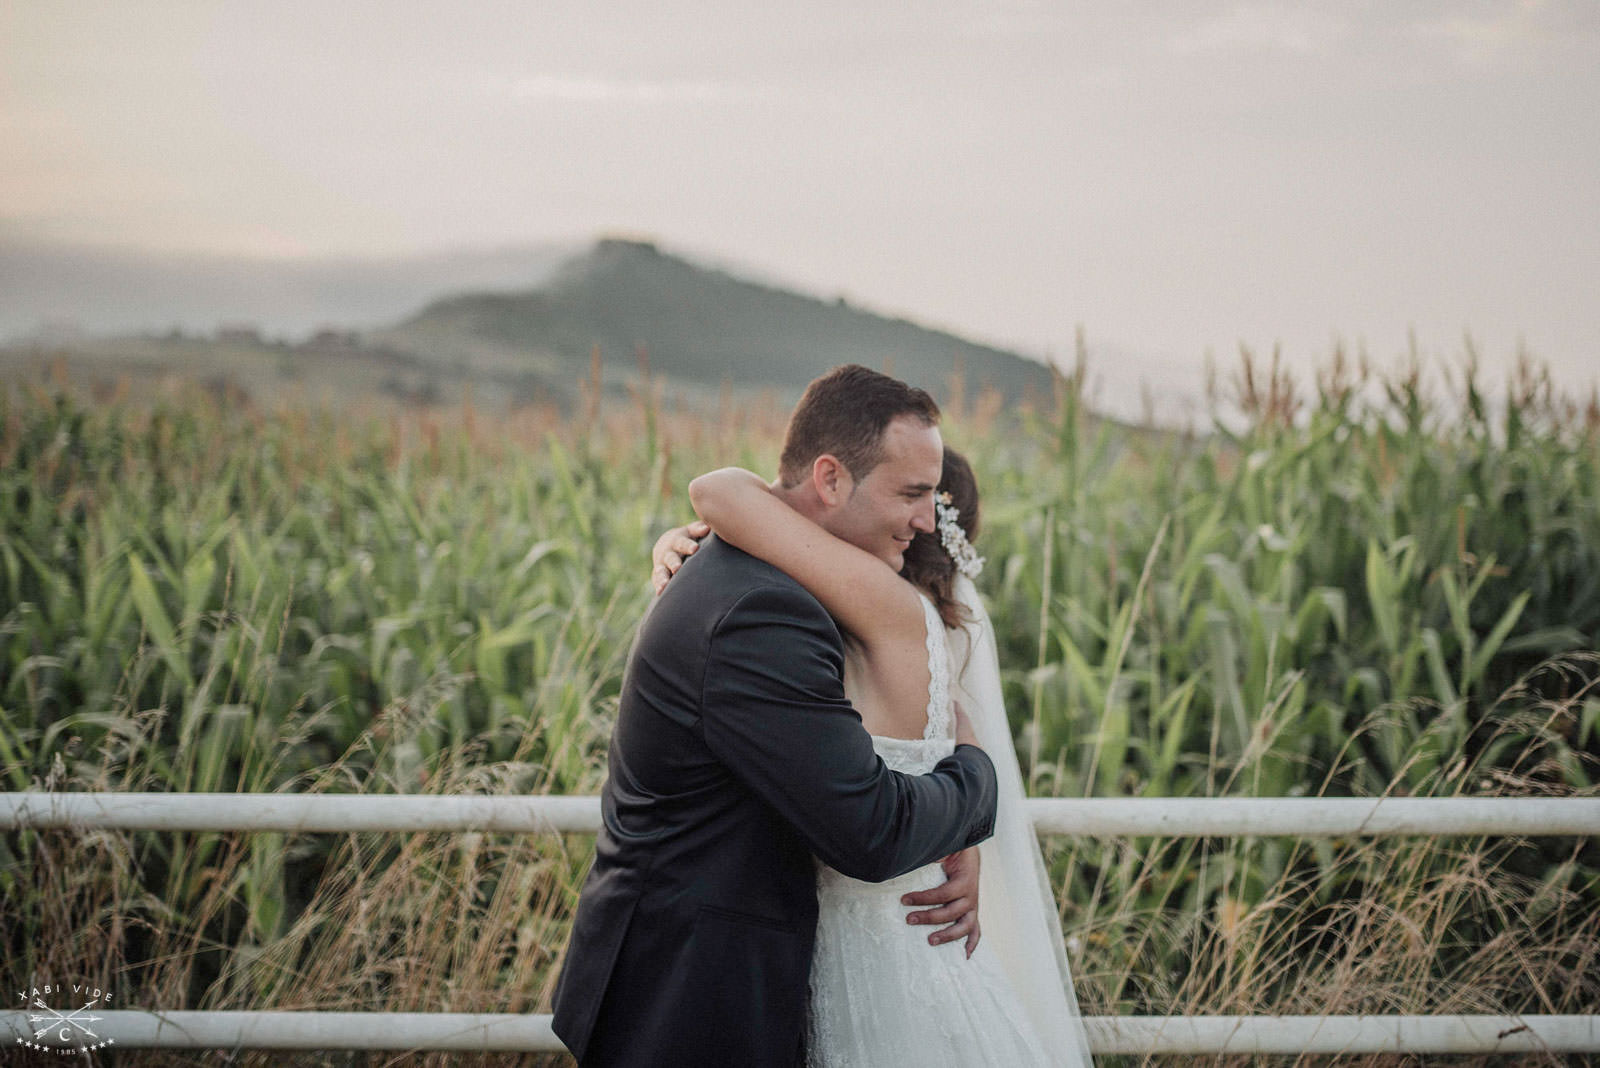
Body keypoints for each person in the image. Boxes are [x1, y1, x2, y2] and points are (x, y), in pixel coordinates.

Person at [552, 366, 1001, 1068]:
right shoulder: (765, 610)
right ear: (829, 479)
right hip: (689, 1005)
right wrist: (977, 782)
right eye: (911, 493)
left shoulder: (779, 578)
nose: (923, 520)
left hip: (732, 976)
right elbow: (870, 829)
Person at [658, 445, 1095, 1066]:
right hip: (907, 927)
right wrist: (967, 826)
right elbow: (952, 733)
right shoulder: (918, 626)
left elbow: (720, 490)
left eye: (918, 498)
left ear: (923, 524)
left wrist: (695, 538)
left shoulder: (884, 612)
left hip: (866, 928)